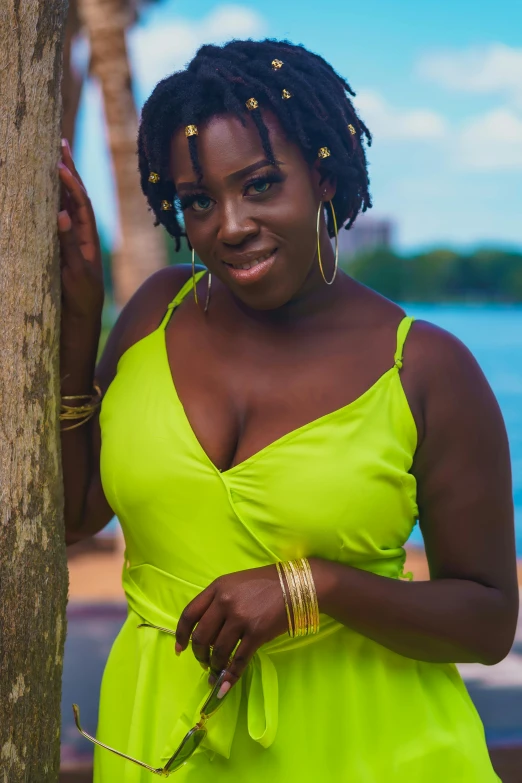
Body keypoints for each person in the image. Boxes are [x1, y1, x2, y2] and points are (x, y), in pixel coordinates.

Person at [58, 38, 519, 782]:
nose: (230, 225)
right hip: (161, 736)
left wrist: (313, 586)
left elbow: (490, 621)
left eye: (262, 184)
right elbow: (80, 514)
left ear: (324, 176)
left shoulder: (426, 368)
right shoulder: (153, 314)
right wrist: (81, 321)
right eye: (199, 201)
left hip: (372, 746)